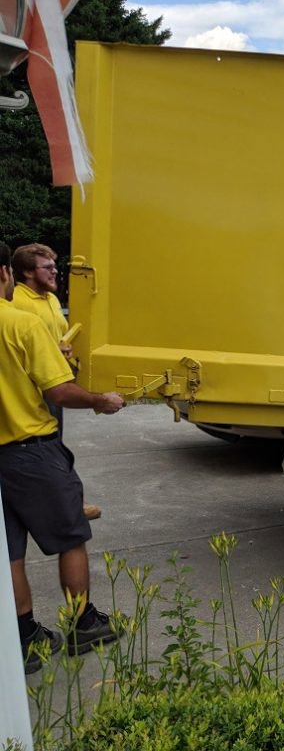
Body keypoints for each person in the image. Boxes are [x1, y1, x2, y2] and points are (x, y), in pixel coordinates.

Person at [0, 241, 126, 674]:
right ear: (6, 274)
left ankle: (23, 636)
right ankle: (83, 624)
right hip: (29, 450)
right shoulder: (18, 322)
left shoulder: (39, 310)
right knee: (71, 535)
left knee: (10, 550)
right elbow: (58, 391)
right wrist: (97, 400)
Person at [11, 243, 102, 520]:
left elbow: (55, 340)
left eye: (55, 266)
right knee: (46, 451)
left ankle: (64, 502)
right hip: (29, 394)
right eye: (47, 267)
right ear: (27, 271)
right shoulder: (17, 302)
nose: (55, 273)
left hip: (53, 386)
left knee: (55, 447)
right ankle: (66, 504)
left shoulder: (51, 300)